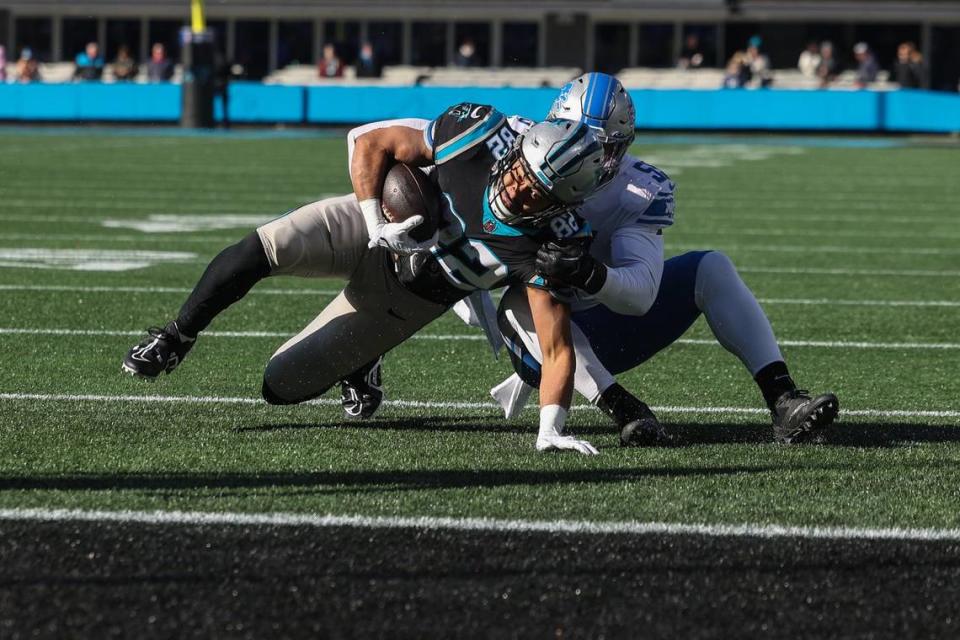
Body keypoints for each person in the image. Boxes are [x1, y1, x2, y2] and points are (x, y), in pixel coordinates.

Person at [345, 73, 840, 446]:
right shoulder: (513, 140)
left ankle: (783, 397)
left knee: (711, 268)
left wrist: (588, 272)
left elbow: (642, 294)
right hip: (532, 332)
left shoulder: (635, 190)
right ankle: (621, 407)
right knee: (525, 292)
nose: (574, 153)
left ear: (618, 149)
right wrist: (396, 218)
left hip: (599, 319)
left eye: (595, 147)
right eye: (567, 133)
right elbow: (393, 143)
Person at [121, 109, 609, 455]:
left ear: (559, 202)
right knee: (264, 246)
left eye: (535, 189)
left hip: (406, 293)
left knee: (281, 385)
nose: (517, 184)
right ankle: (176, 335)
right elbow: (370, 142)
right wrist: (375, 221)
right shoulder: (479, 132)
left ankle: (363, 362)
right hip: (380, 226)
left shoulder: (550, 242)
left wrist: (551, 429)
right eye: (523, 167)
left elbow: (555, 348)